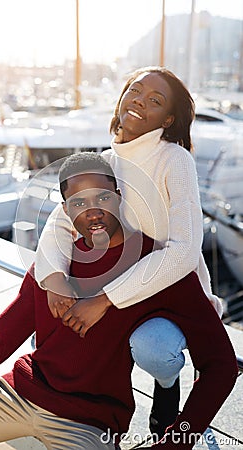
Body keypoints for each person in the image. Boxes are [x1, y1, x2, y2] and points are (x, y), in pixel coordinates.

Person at [0, 153, 237, 450]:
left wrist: (177, 441)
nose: (93, 212)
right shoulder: (52, 266)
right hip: (19, 393)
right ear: (65, 210)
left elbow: (221, 365)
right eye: (79, 203)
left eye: (102, 198)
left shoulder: (158, 267)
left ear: (119, 197)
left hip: (88, 422)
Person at [35, 66, 225, 440]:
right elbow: (60, 221)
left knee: (154, 350)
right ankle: (98, 416)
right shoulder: (106, 161)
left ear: (168, 119)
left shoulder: (174, 159)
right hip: (125, 282)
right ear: (122, 96)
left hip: (173, 286)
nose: (140, 101)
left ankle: (167, 386)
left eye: (155, 101)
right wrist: (54, 277)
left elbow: (185, 252)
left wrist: (104, 300)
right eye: (135, 91)